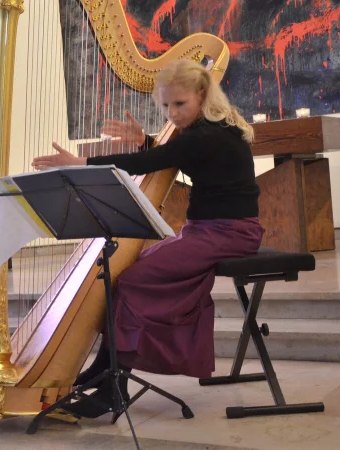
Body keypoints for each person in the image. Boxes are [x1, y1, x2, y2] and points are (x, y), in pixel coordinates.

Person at [31, 58, 263, 417]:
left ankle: (113, 383)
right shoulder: (211, 129)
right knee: (129, 272)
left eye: (179, 104)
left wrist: (81, 163)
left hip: (229, 233)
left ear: (202, 95)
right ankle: (107, 367)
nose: (172, 113)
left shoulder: (206, 136)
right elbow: (169, 154)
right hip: (206, 230)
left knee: (133, 278)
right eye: (166, 105)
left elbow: (151, 163)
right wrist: (146, 140)